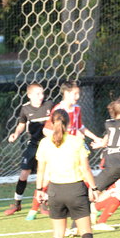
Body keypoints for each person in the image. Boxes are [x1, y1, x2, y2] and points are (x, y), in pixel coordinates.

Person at [35, 109, 100, 238]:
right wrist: (94, 188)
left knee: (58, 233)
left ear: (51, 123)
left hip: (55, 191)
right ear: (69, 123)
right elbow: (85, 169)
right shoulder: (77, 141)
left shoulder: (44, 143)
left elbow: (40, 170)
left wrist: (40, 190)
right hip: (76, 190)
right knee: (86, 231)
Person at [25, 80, 102, 221]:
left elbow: (80, 127)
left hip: (74, 148)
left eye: (78, 93)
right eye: (74, 93)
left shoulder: (77, 108)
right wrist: (62, 141)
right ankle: (33, 209)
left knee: (84, 174)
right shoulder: (58, 110)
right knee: (48, 178)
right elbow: (47, 130)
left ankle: (92, 208)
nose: (77, 96)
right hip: (60, 149)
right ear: (65, 93)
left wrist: (95, 138)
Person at [4, 83, 54, 216]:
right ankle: (17, 203)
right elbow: (21, 124)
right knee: (24, 173)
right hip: (34, 144)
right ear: (29, 95)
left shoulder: (49, 105)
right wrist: (15, 134)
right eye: (37, 94)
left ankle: (43, 203)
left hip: (48, 145)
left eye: (42, 93)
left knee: (46, 175)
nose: (41, 96)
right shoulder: (25, 108)